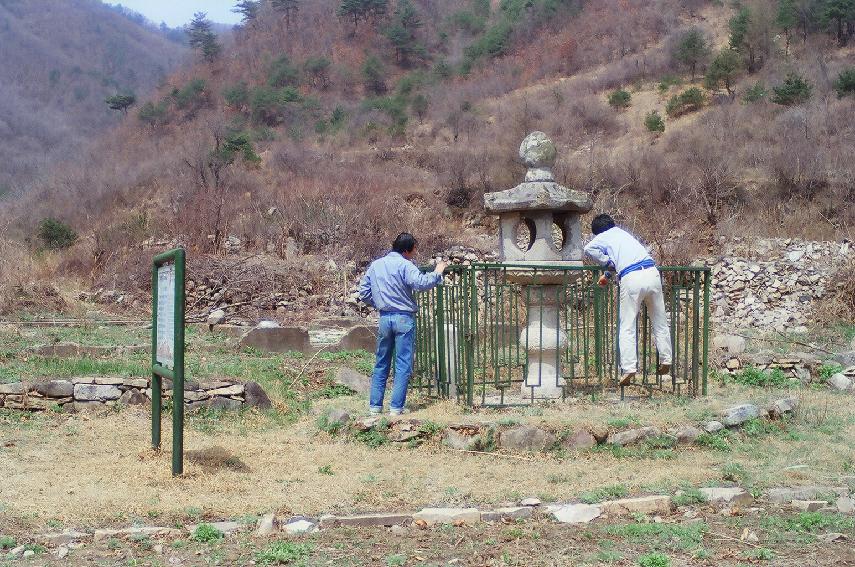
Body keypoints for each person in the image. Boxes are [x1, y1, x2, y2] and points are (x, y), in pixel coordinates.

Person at [358, 233, 447, 415]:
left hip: (384, 318)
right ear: (406, 250)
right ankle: (396, 408)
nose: (415, 253)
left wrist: (380, 302)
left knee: (381, 362)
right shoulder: (405, 265)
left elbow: (364, 292)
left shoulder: (376, 265)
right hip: (403, 319)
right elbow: (420, 283)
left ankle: (375, 407)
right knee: (403, 364)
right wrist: (437, 272)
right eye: (414, 249)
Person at [583, 214, 672, 386]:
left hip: (632, 278)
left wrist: (605, 262)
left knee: (627, 325)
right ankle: (666, 358)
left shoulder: (602, 236)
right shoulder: (624, 235)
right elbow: (626, 259)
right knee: (660, 321)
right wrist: (608, 274)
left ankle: (629, 367)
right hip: (652, 272)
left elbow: (588, 249)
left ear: (598, 231)